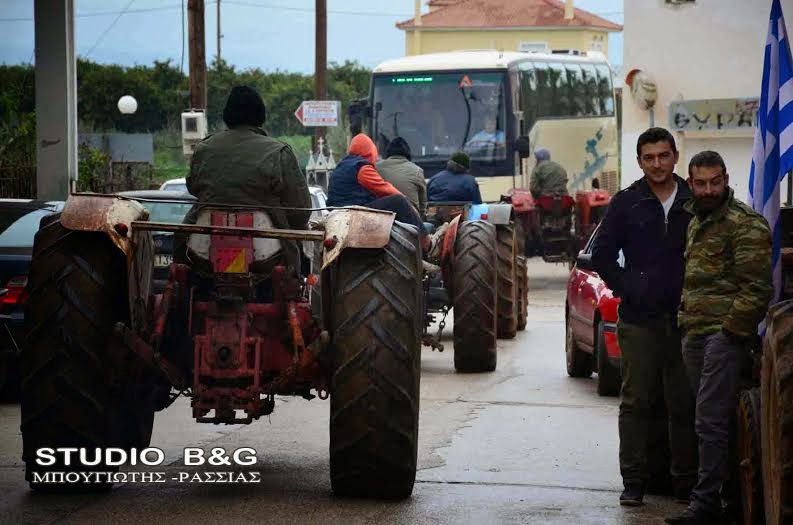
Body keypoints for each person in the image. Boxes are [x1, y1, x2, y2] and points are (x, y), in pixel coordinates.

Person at [591, 127, 698, 507]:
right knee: (636, 402)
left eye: (664, 155)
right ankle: (633, 482)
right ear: (640, 161)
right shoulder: (626, 203)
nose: (657, 163)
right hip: (638, 320)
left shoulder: (693, 199)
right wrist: (629, 286)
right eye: (649, 157)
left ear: (675, 156)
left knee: (683, 403)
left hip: (687, 320)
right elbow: (601, 255)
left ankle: (686, 483)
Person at [665, 152, 772, 525]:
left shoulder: (745, 225)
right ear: (690, 183)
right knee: (711, 419)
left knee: (710, 419)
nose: (708, 189)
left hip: (723, 336)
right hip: (694, 331)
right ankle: (730, 500)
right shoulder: (697, 219)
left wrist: (729, 333)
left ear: (726, 179)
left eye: (715, 182)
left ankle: (706, 504)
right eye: (700, 183)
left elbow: (757, 290)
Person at [183, 85, 311, 272]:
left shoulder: (203, 149)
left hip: (202, 247)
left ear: (227, 116)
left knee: (182, 254)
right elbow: (300, 210)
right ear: (260, 116)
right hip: (267, 254)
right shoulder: (279, 151)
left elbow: (193, 187)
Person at [327, 133, 432, 253]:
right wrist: (407, 203)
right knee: (399, 200)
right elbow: (386, 189)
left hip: (338, 213)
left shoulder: (342, 166)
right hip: (355, 212)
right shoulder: (362, 168)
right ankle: (426, 244)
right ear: (370, 151)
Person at [376, 137, 427, 218]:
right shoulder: (417, 171)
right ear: (407, 153)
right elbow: (423, 206)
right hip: (410, 219)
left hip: (383, 219)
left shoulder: (376, 168)